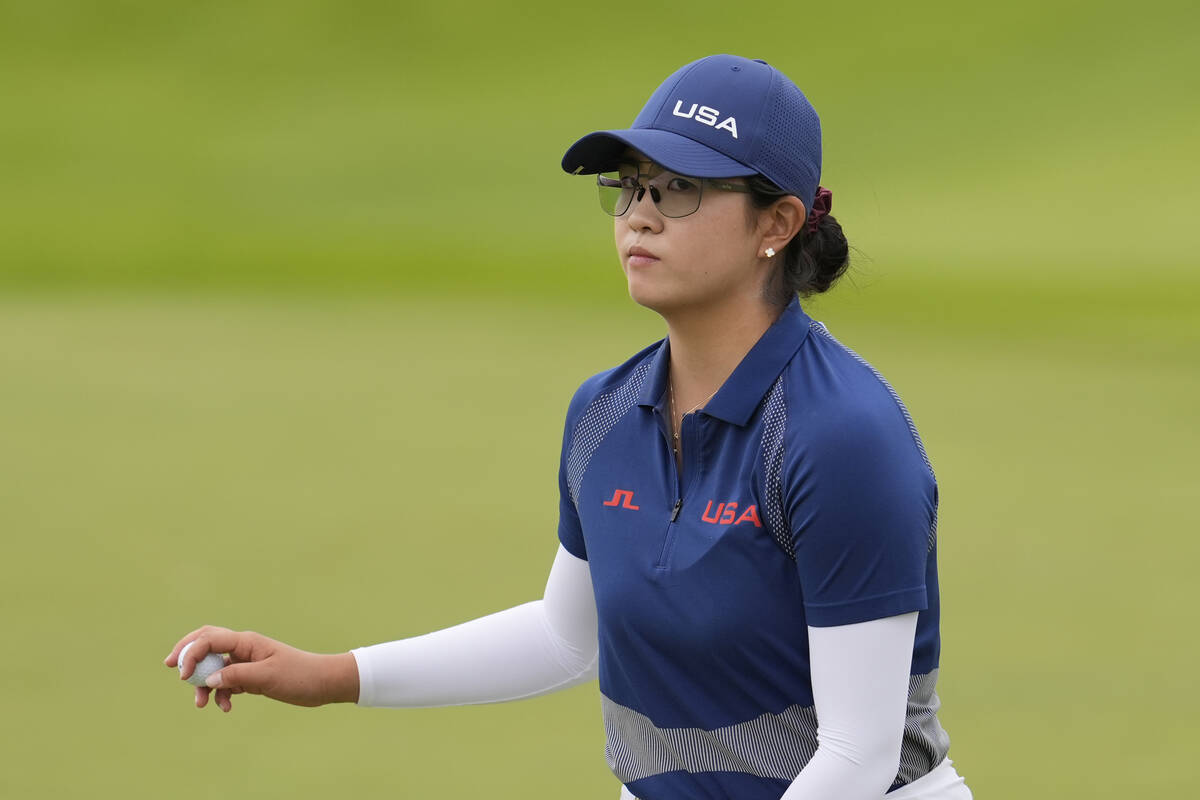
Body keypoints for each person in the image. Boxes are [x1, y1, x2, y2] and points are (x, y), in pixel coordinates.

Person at [165, 54, 972, 799]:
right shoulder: (606, 413)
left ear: (778, 223)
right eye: (629, 186)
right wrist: (330, 674)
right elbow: (565, 636)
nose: (639, 216)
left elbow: (858, 753)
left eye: (679, 189)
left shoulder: (842, 435)